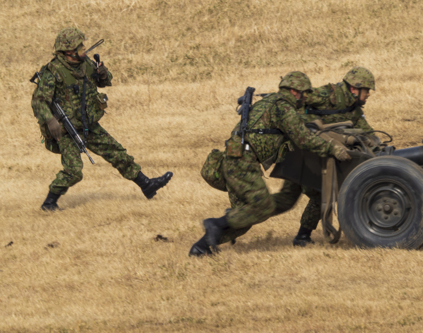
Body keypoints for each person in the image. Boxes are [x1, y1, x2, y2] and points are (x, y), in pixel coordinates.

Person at [189, 72, 352, 256]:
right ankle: (216, 224)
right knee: (262, 207)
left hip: (236, 161)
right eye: (304, 93)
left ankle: (200, 248)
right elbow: (303, 139)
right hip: (243, 163)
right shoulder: (283, 107)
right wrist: (333, 148)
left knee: (245, 219)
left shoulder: (270, 103)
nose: (306, 97)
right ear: (294, 91)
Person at [31, 27, 172, 211]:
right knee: (73, 172)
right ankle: (49, 202)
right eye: (79, 47)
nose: (84, 49)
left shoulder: (86, 64)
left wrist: (103, 74)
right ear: (68, 52)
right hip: (66, 131)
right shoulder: (53, 72)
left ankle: (147, 185)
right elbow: (38, 101)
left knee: (117, 153)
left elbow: (104, 81)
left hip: (88, 124)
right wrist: (50, 120)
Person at [286, 66, 376, 247]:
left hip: (323, 152)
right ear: (354, 89)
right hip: (306, 151)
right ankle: (301, 236)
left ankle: (302, 236)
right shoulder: (327, 95)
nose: (368, 94)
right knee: (318, 193)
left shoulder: (354, 109)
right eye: (366, 90)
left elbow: (369, 135)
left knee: (286, 200)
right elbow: (295, 98)